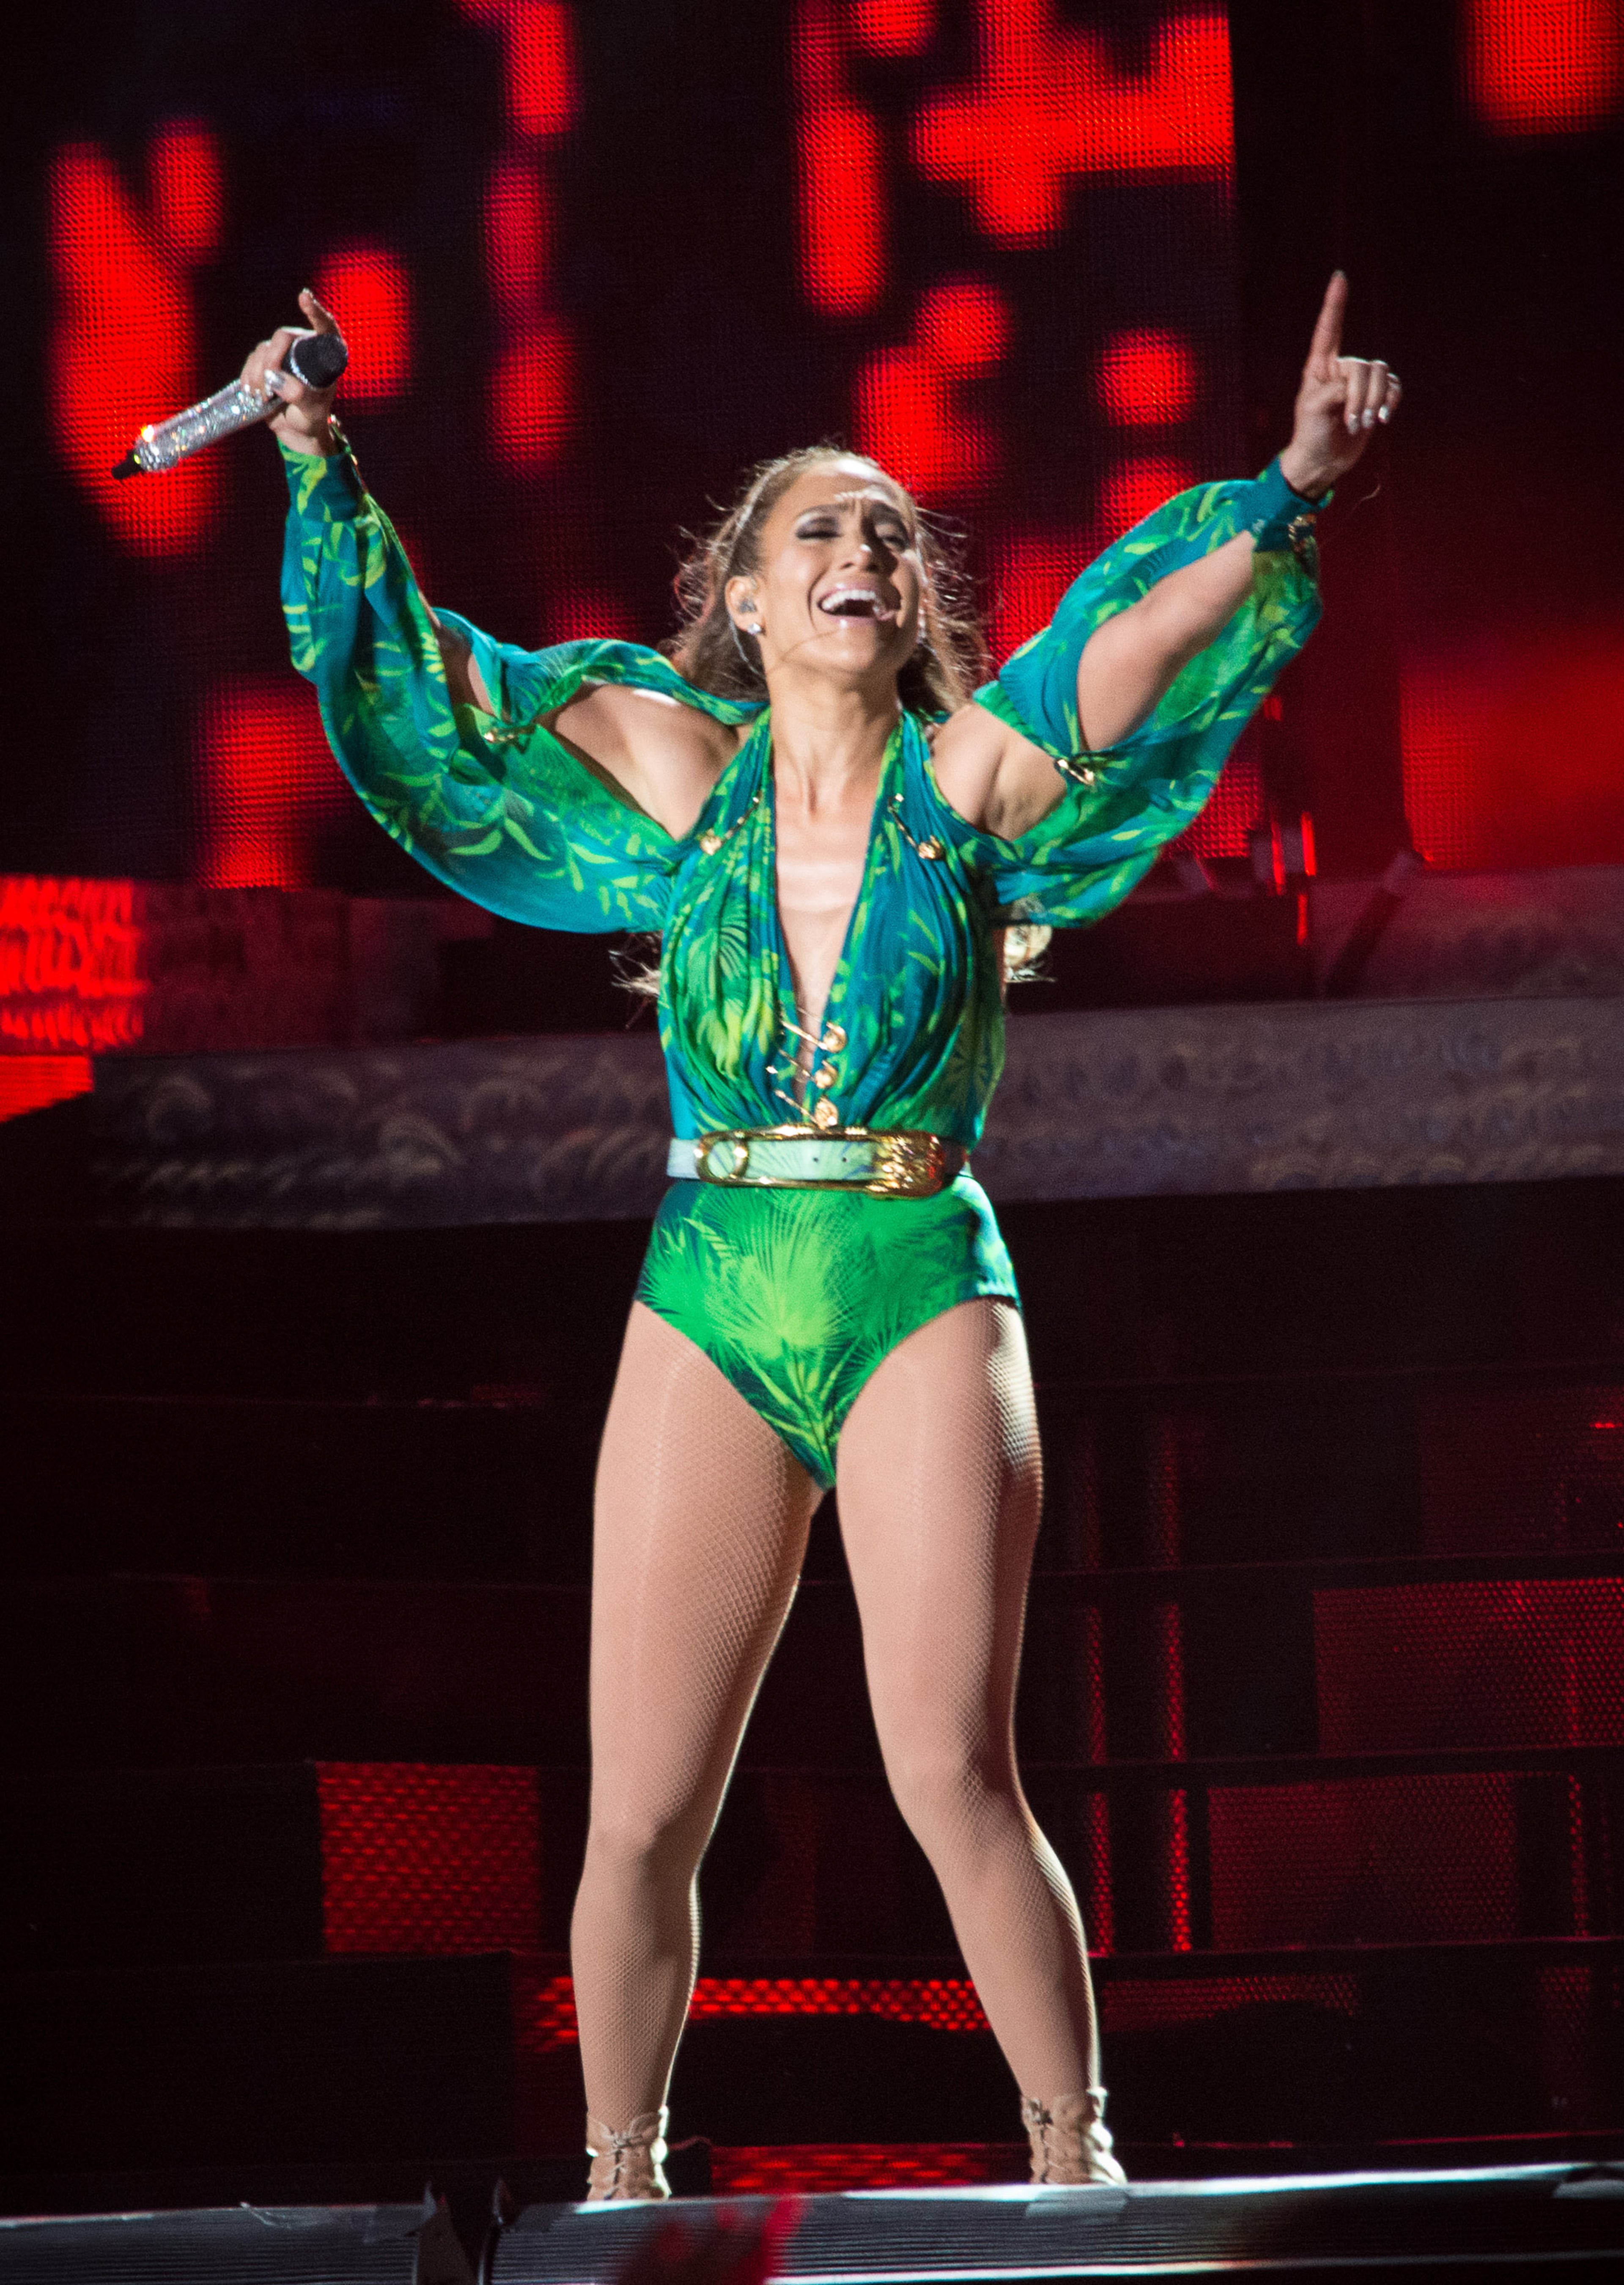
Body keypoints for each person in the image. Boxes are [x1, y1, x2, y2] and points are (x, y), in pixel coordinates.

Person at [249, 274, 1399, 2198]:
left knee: (947, 1767)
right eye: (820, 529)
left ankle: (1072, 2165)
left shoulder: (974, 789)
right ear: (758, 601)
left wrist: (1289, 489)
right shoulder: (668, 771)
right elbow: (433, 684)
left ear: (907, 608)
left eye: (888, 530)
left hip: (911, 1284)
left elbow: (1140, 639)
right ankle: (625, 2186)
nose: (864, 545)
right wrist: (310, 451)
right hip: (710, 1288)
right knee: (636, 1816)